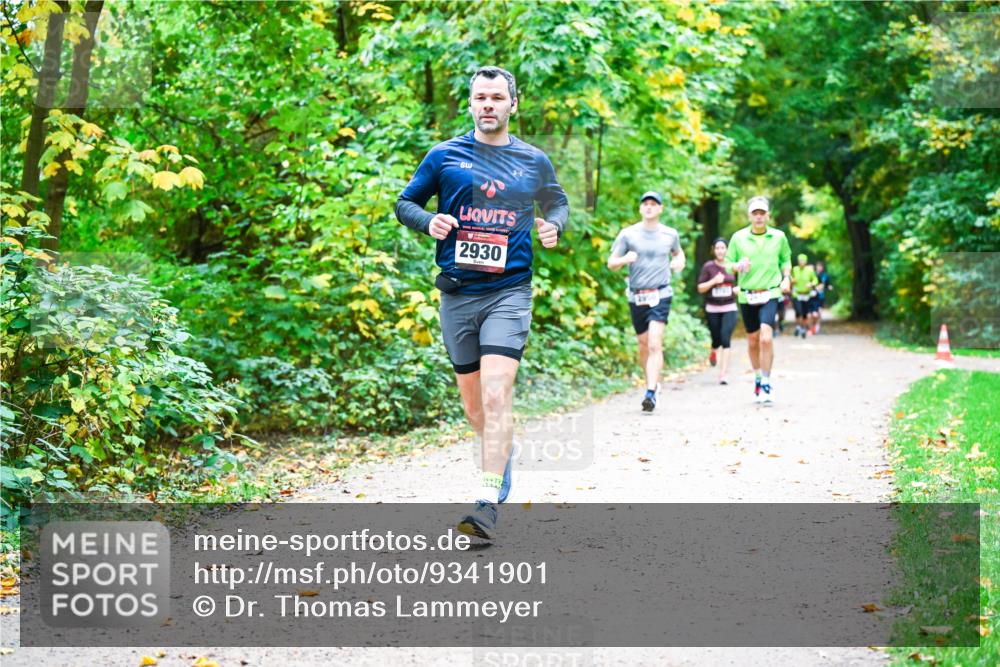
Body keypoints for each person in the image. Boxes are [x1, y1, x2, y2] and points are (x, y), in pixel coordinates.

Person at [394, 66, 568, 540]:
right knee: (476, 411)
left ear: (514, 104)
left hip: (509, 292)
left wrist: (554, 225)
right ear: (469, 104)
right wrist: (426, 221)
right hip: (457, 295)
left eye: (496, 97)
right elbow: (404, 202)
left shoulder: (533, 161)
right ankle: (500, 455)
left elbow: (557, 202)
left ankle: (486, 503)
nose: (487, 104)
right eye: (479, 97)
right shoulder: (445, 156)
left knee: (497, 395)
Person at [607, 191, 685, 412]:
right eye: (645, 204)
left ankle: (650, 392)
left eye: (654, 204)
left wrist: (679, 262)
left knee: (654, 343)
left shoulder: (670, 234)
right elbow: (611, 263)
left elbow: (679, 254)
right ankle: (653, 382)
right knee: (643, 345)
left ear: (660, 209)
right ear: (641, 209)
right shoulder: (628, 234)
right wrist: (624, 259)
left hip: (661, 293)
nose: (649, 207)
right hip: (637, 295)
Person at [724, 195, 791, 405]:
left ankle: (768, 382)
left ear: (768, 215)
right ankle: (758, 378)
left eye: (762, 213)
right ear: (749, 216)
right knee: (752, 340)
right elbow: (727, 263)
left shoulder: (779, 237)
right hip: (747, 294)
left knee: (766, 338)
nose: (759, 216)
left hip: (770, 292)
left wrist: (787, 277)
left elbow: (786, 259)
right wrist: (736, 266)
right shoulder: (738, 238)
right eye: (755, 213)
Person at [697, 237, 738, 385]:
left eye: (723, 248)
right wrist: (714, 281)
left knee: (725, 338)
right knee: (716, 338)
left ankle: (723, 374)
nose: (720, 251)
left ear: (727, 250)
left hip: (729, 307)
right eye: (718, 248)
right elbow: (700, 288)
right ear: (713, 250)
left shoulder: (733, 266)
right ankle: (714, 350)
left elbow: (742, 282)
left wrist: (739, 289)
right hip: (712, 308)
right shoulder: (708, 267)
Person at [790, 253, 819, 338]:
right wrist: (792, 280)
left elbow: (815, 280)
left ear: (806, 262)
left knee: (805, 313)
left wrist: (811, 284)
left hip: (806, 295)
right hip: (796, 294)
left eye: (803, 261)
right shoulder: (794, 269)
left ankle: (802, 328)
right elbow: (789, 278)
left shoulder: (809, 270)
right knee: (798, 312)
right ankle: (798, 326)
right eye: (800, 261)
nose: (801, 262)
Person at [813, 260, 832, 333]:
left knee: (819, 312)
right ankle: (813, 325)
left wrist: (829, 287)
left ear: (822, 268)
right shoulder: (813, 274)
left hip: (821, 296)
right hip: (813, 297)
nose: (819, 268)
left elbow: (828, 284)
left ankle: (817, 325)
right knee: (814, 313)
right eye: (818, 266)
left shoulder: (825, 276)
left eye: (820, 266)